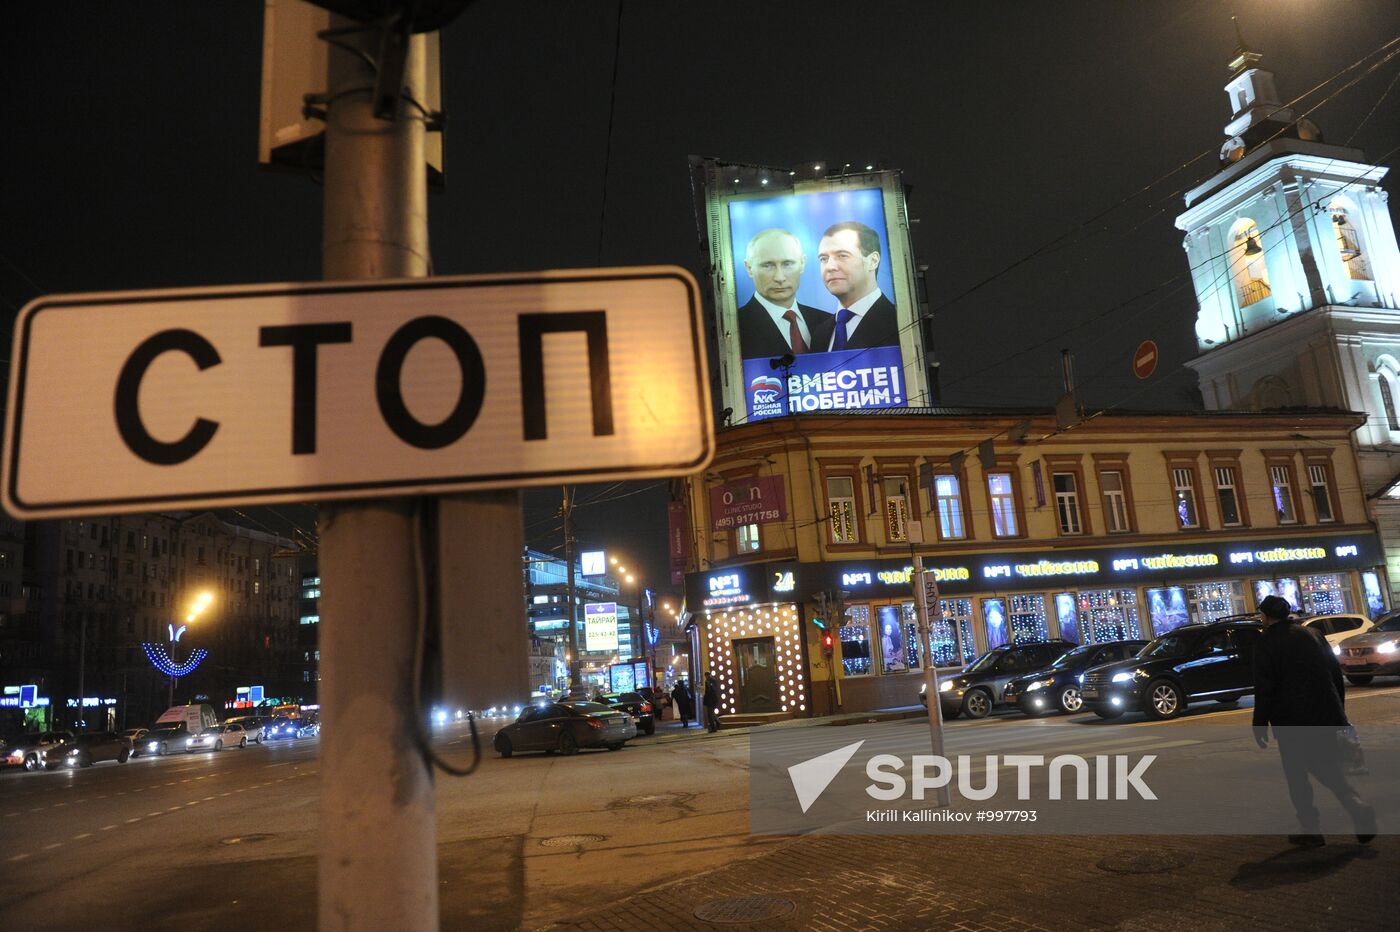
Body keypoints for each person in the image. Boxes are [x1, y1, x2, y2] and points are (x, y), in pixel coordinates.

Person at [1252, 594, 1376, 847]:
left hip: (1290, 720)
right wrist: (1338, 711)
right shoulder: (1313, 635)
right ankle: (1356, 806)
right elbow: (1334, 674)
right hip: (1324, 715)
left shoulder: (1267, 643)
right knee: (1325, 765)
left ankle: (1311, 827)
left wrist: (1259, 723)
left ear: (1265, 616)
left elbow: (1265, 687)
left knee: (1297, 774)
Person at [737, 228, 834, 359]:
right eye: (767, 265)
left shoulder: (829, 322)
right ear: (749, 268)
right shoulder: (735, 327)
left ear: (802, 264)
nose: (779, 277)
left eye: (787, 264)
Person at [817, 220, 900, 351]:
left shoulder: (900, 321)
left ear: (873, 261)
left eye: (842, 255)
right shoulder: (819, 334)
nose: (830, 267)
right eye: (824, 259)